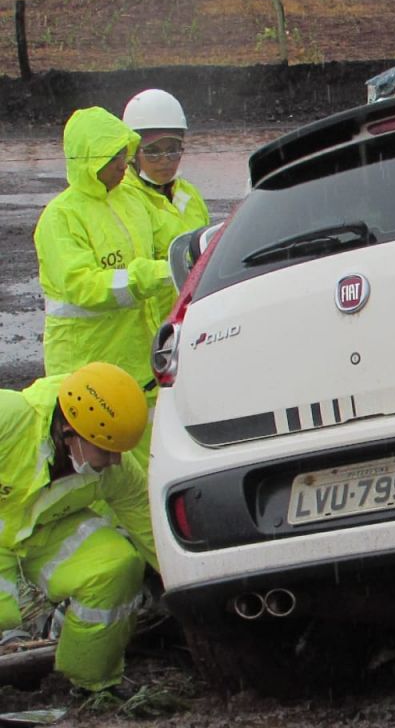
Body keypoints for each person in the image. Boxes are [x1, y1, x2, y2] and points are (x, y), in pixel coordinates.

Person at [0, 362, 157, 695]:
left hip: (35, 534)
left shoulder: (115, 472)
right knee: (3, 613)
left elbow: (150, 529)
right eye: (106, 450)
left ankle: (93, 682)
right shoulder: (9, 419)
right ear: (70, 432)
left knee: (116, 566)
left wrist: (191, 589)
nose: (115, 461)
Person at [34, 106, 172, 391]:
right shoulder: (61, 217)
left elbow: (168, 237)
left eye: (124, 154)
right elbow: (84, 286)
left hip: (139, 366)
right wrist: (153, 275)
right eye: (113, 158)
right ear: (88, 162)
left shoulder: (131, 201)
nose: (123, 165)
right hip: (85, 374)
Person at [121, 88, 210, 329]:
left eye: (173, 149)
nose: (165, 161)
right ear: (132, 152)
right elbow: (131, 274)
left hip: (189, 323)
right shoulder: (123, 201)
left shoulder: (189, 194)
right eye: (153, 151)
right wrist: (176, 269)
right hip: (147, 331)